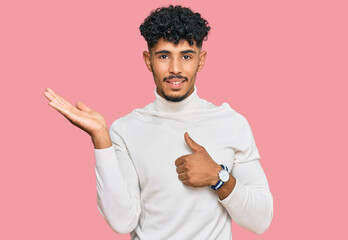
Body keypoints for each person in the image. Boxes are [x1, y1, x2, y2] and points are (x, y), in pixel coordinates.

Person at [44, 5, 273, 240]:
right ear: (148, 60)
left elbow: (261, 220)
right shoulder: (126, 130)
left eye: (186, 56)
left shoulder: (231, 123)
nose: (175, 69)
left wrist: (218, 177)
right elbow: (123, 221)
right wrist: (101, 138)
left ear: (201, 60)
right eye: (164, 56)